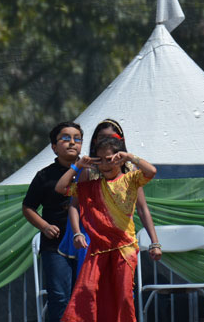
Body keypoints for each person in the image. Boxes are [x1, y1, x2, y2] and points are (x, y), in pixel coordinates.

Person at [55, 136, 157, 322]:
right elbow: (61, 188)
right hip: (98, 249)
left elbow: (151, 171)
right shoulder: (90, 187)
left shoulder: (130, 180)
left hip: (124, 249)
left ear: (119, 159)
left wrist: (130, 157)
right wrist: (78, 166)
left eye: (109, 159)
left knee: (124, 296)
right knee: (87, 291)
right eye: (99, 160)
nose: (104, 164)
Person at [72, 119, 161, 262]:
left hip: (123, 242)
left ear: (120, 142)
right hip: (93, 240)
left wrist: (155, 242)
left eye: (111, 138)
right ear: (95, 141)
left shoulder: (130, 171)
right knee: (90, 277)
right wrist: (77, 233)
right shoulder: (88, 172)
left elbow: (142, 208)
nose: (106, 142)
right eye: (102, 138)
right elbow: (74, 205)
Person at [21, 121, 84, 322]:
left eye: (77, 139)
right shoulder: (44, 176)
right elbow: (28, 207)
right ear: (54, 147)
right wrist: (44, 226)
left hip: (87, 243)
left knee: (87, 295)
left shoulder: (91, 171)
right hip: (55, 245)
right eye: (65, 138)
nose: (72, 142)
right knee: (60, 297)